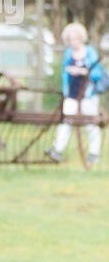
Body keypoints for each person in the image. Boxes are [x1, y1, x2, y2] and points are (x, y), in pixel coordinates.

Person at [47, 22, 106, 168]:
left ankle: (94, 153)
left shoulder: (90, 52)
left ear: (81, 38)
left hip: (88, 94)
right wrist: (66, 88)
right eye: (70, 40)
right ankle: (57, 150)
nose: (73, 42)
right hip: (72, 94)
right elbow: (64, 73)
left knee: (91, 123)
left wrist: (82, 72)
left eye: (75, 39)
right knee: (66, 121)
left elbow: (97, 73)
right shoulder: (68, 53)